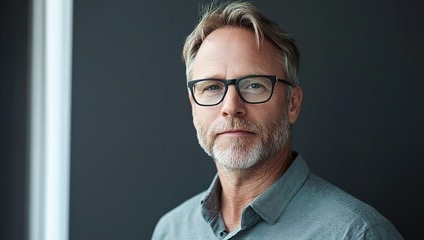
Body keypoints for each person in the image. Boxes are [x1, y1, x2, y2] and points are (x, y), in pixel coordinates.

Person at [152, 1, 403, 239]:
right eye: (212, 88)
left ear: (292, 104)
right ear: (194, 107)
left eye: (253, 85)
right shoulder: (170, 231)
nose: (231, 107)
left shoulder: (358, 233)